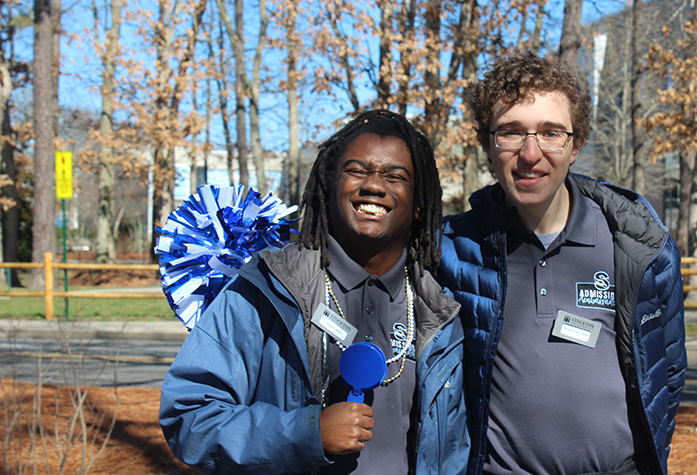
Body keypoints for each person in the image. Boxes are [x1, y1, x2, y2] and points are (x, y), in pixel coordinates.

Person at [160, 109, 468, 474]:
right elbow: (190, 415)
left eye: (395, 176)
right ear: (329, 185)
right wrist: (307, 433)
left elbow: (451, 453)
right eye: (356, 170)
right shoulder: (267, 288)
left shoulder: (438, 313)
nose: (373, 185)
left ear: (419, 206)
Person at [438, 52, 686, 475]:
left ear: (576, 145)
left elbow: (668, 371)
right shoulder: (453, 249)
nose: (530, 154)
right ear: (487, 145)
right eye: (511, 133)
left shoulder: (637, 248)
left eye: (551, 133)